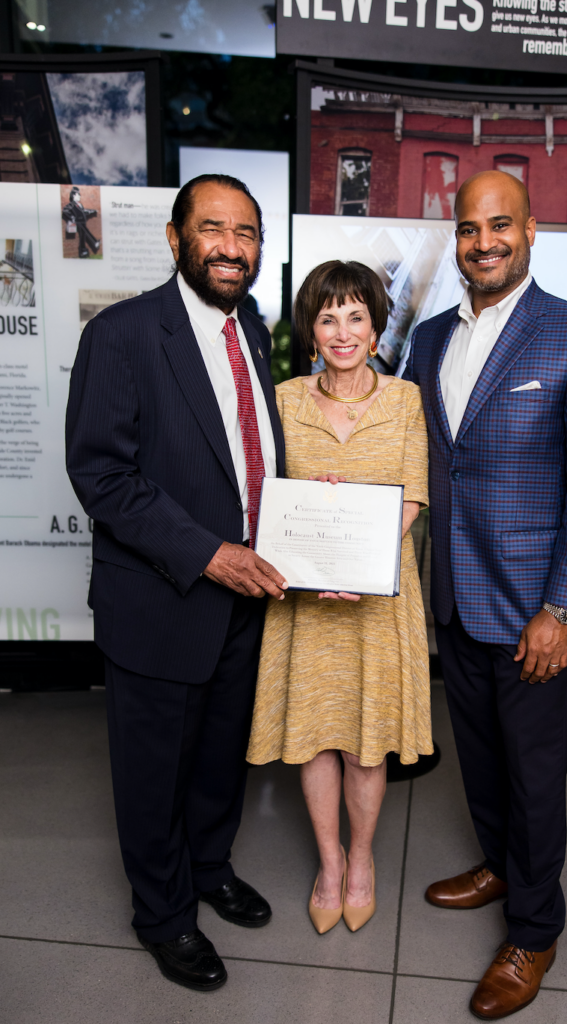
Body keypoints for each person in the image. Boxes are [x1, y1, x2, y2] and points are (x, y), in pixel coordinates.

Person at [403, 170, 567, 1020]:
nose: (484, 242)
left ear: (532, 230)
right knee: (481, 756)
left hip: (534, 610)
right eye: (469, 229)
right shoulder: (430, 338)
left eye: (500, 225)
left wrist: (562, 610)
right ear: (456, 239)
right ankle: (500, 866)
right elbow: (421, 456)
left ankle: (535, 930)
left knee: (535, 778)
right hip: (455, 597)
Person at [65, 174, 289, 992]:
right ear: (175, 238)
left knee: (221, 755)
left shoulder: (252, 330)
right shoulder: (123, 334)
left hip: (244, 597)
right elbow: (102, 475)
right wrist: (208, 554)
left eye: (247, 233)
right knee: (155, 770)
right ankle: (162, 916)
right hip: (163, 597)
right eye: (213, 229)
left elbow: (246, 455)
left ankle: (209, 868)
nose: (232, 247)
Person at [247, 260, 432, 934]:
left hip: (375, 603)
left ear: (377, 329)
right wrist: (311, 534)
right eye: (328, 318)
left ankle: (361, 860)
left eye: (356, 316)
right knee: (316, 738)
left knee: (364, 746)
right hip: (306, 604)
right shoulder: (282, 401)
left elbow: (413, 497)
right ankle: (329, 863)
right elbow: (263, 497)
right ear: (311, 331)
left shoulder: (406, 400)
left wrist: (355, 558)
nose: (343, 331)